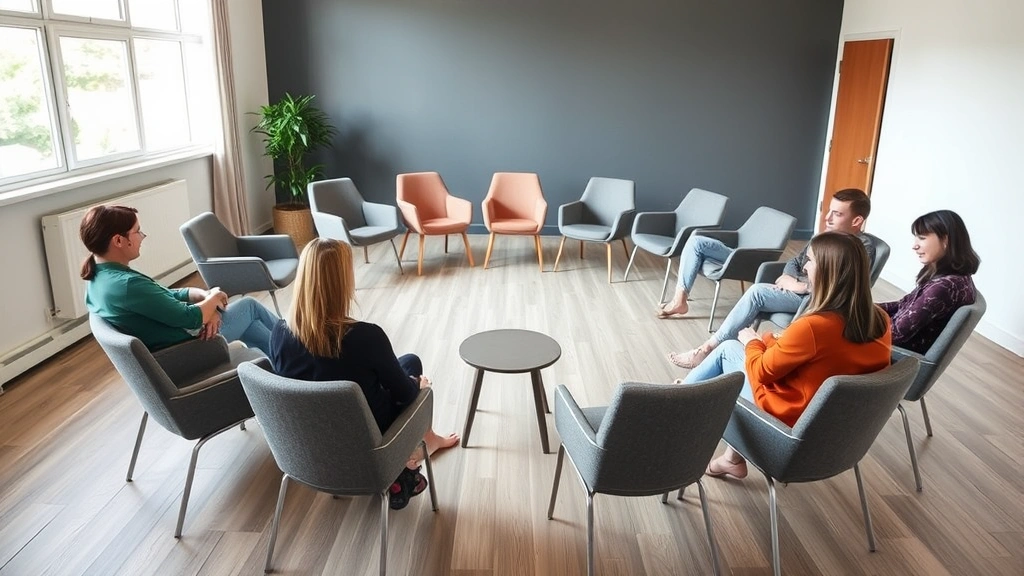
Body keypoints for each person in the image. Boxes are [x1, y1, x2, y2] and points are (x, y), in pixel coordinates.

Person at [680, 232, 892, 479]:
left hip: (788, 426)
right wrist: (769, 342)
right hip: (834, 432)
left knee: (729, 350)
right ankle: (728, 456)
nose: (804, 266)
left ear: (827, 271)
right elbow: (821, 360)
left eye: (810, 260)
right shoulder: (880, 320)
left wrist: (753, 342)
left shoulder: (815, 327)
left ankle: (680, 403)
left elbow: (760, 371)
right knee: (759, 348)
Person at [268, 238, 459, 510]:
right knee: (414, 375)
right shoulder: (365, 337)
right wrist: (419, 386)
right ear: (342, 282)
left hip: (309, 447)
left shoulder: (279, 333)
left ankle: (420, 445)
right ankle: (416, 448)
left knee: (407, 362)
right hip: (369, 444)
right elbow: (405, 395)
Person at [666, 188, 879, 368]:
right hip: (796, 288)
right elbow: (795, 262)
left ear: (857, 220)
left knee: (757, 292)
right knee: (698, 242)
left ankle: (707, 350)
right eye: (828, 211)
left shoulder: (860, 248)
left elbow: (841, 287)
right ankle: (682, 303)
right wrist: (788, 277)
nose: (827, 218)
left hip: (813, 298)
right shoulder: (824, 237)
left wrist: (800, 287)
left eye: (837, 214)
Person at [81, 205, 278, 357]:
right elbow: (190, 318)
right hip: (187, 348)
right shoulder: (126, 285)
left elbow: (163, 298)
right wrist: (214, 300)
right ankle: (300, 354)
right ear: (118, 241)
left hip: (178, 339)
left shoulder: (99, 278)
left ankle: (288, 365)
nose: (142, 237)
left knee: (253, 326)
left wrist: (203, 297)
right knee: (249, 307)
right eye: (137, 231)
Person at [879, 210, 980, 354]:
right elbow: (903, 304)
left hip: (893, 356)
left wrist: (861, 320)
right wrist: (866, 309)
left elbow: (896, 334)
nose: (915, 246)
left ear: (946, 240)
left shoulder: (944, 287)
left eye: (922, 238)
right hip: (894, 348)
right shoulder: (955, 278)